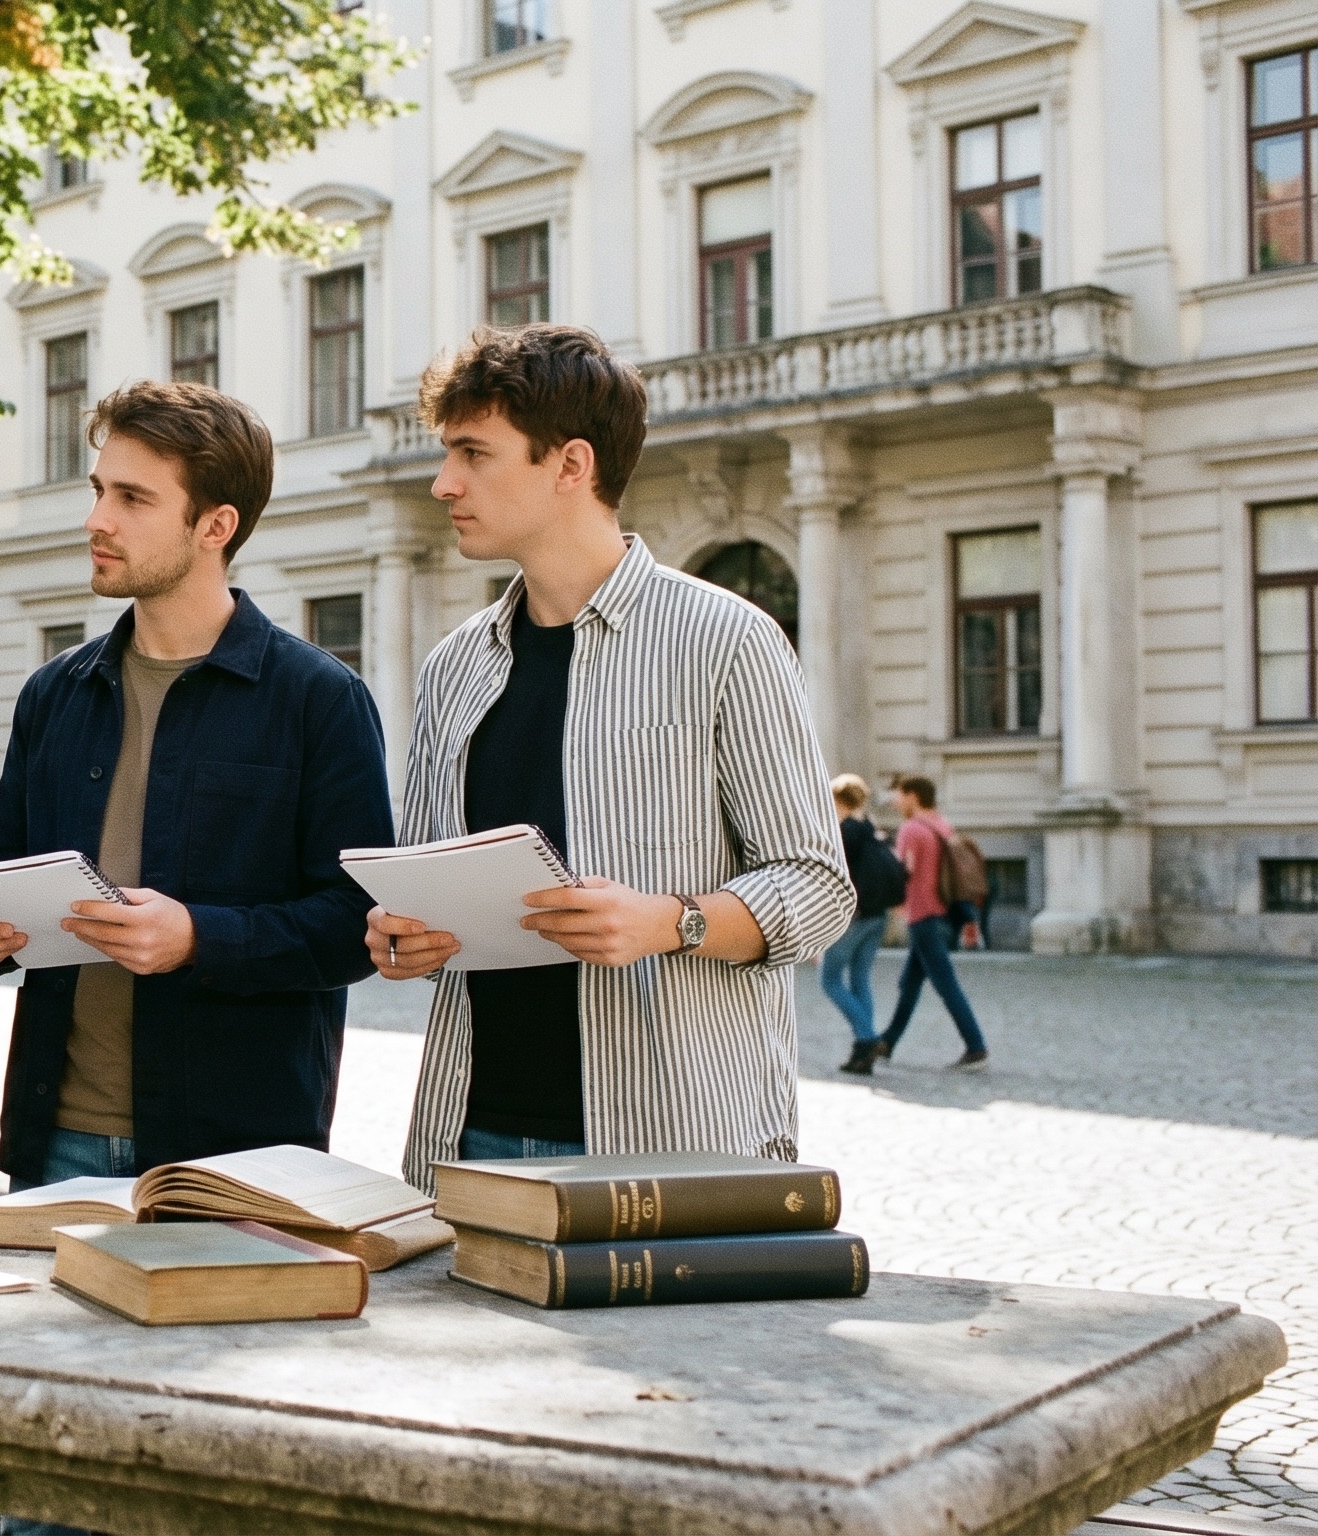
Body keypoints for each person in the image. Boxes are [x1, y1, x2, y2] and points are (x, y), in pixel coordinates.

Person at [365, 325, 853, 1189]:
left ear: (571, 464)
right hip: (470, 1132)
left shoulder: (725, 639)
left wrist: (670, 922)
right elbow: (433, 889)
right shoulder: (452, 667)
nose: (444, 483)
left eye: (473, 453)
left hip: (676, 1135)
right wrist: (403, 936)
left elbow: (817, 887)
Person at [0, 380, 393, 1189]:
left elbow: (356, 925)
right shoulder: (52, 694)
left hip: (237, 1153)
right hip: (54, 1144)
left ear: (215, 526)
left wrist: (197, 937)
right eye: (98, 491)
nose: (97, 520)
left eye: (133, 498)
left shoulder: (319, 699)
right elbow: (4, 878)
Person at [875, 773, 991, 1071]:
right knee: (910, 983)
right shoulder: (941, 823)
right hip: (944, 913)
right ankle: (887, 1042)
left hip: (923, 915)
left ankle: (976, 1047)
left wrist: (894, 901)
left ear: (913, 796)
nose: (896, 800)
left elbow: (902, 872)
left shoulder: (911, 828)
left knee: (946, 985)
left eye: (899, 794)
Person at [819, 772, 903, 1075]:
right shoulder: (871, 828)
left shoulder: (844, 833)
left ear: (837, 799)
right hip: (877, 915)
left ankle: (867, 1039)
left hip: (854, 916)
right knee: (860, 979)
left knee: (829, 979)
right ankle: (863, 1050)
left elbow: (833, 879)